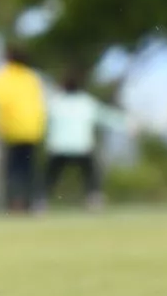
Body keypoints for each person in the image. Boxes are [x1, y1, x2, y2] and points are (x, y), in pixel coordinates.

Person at [42, 68, 115, 210]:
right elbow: (106, 116)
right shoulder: (86, 102)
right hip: (81, 147)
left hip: (59, 147)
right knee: (91, 174)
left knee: (50, 177)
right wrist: (128, 123)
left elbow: (40, 118)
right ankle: (94, 199)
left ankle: (40, 202)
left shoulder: (55, 102)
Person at [0, 49, 46, 212]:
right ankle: (35, 203)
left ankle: (15, 203)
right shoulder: (31, 77)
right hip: (32, 129)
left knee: (12, 169)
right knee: (29, 168)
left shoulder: (3, 77)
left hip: (10, 129)